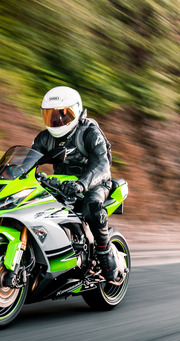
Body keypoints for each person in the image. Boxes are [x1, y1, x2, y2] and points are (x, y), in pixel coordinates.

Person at [31, 86, 123, 282]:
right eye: (50, 115)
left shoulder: (90, 133)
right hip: (61, 185)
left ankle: (105, 254)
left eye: (62, 115)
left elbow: (102, 166)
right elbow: (27, 161)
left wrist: (82, 184)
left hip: (95, 183)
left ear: (76, 111)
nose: (56, 120)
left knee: (92, 206)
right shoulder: (44, 138)